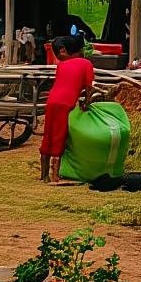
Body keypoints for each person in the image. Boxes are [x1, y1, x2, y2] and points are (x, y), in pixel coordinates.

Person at [39, 35, 93, 183]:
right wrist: (86, 103)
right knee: (60, 135)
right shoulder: (86, 63)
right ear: (80, 50)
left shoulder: (62, 64)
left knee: (49, 133)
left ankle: (43, 174)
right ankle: (55, 175)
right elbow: (89, 88)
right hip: (65, 103)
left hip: (52, 101)